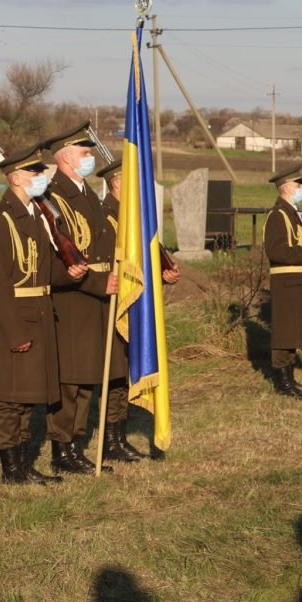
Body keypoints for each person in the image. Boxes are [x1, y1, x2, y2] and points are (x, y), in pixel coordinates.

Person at [0, 144, 87, 484]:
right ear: (16, 178)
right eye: (35, 172)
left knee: (27, 398)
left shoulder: (37, 217)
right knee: (10, 399)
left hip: (40, 314)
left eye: (42, 171)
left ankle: (24, 465)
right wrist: (14, 332)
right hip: (16, 319)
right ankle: (13, 469)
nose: (42, 177)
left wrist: (67, 274)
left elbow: (43, 271)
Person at [40, 122, 118, 473]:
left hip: (98, 293)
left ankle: (76, 441)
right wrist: (98, 283)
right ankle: (62, 447)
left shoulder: (86, 192)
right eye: (86, 153)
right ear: (67, 157)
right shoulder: (53, 198)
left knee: (87, 375)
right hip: (74, 297)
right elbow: (62, 255)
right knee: (69, 379)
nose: (91, 159)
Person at [95, 159, 181, 459]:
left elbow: (146, 259)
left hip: (137, 303)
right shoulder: (106, 215)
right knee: (115, 373)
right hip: (117, 301)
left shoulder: (135, 217)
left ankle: (118, 439)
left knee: (124, 372)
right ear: (117, 182)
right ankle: (109, 439)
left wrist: (163, 273)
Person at [262, 165, 302, 398]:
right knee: (284, 333)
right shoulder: (277, 215)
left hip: (299, 279)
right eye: (298, 185)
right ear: (287, 188)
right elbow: (276, 251)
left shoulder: (295, 213)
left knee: (293, 333)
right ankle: (283, 383)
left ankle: (290, 381)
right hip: (286, 281)